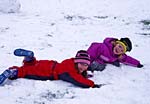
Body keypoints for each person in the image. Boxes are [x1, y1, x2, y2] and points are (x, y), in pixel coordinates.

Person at [0, 49, 101, 88]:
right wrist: (92, 84)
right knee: (25, 71)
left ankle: (29, 58)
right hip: (46, 71)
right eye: (82, 64)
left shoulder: (70, 62)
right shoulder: (67, 71)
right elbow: (77, 80)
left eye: (86, 65)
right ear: (76, 62)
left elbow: (77, 73)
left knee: (33, 64)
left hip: (48, 64)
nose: (84, 67)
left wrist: (85, 74)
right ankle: (12, 71)